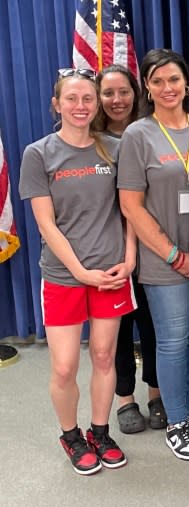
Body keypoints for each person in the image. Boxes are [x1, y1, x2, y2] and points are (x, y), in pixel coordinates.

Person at [19, 68, 136, 474]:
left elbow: (129, 211)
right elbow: (45, 224)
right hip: (64, 276)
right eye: (72, 99)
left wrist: (131, 256)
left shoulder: (116, 148)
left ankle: (99, 433)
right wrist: (81, 272)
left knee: (105, 356)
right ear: (57, 105)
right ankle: (70, 436)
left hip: (112, 272)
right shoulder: (39, 153)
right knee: (65, 365)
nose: (81, 106)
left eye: (88, 99)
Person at [118, 49, 189, 461]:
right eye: (158, 80)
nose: (167, 88)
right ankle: (178, 420)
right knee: (171, 339)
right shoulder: (137, 135)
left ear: (187, 84)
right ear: (147, 86)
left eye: (174, 79)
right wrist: (173, 255)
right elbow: (131, 205)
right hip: (164, 258)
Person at [95, 65, 165, 434]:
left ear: (137, 93)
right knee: (117, 329)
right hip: (108, 253)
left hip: (150, 246)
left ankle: (156, 394)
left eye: (124, 91)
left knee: (153, 327)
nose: (117, 100)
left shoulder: (151, 132)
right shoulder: (88, 141)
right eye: (108, 93)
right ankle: (125, 399)